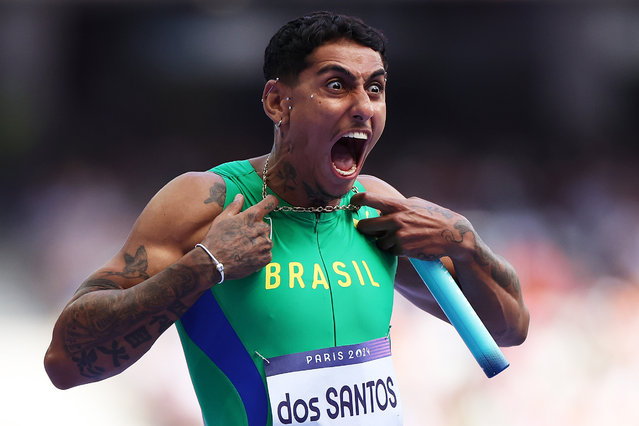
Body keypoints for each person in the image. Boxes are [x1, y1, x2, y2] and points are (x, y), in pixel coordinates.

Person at [44, 11, 529, 425]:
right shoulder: (209, 201)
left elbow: (508, 331)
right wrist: (204, 266)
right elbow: (66, 362)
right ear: (278, 101)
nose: (363, 107)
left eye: (376, 89)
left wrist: (466, 244)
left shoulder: (373, 207)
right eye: (337, 85)